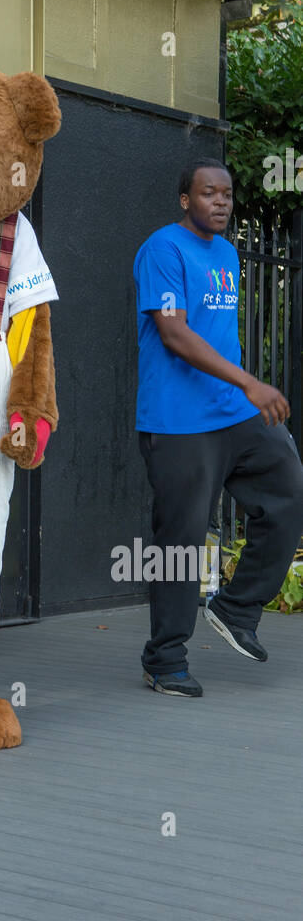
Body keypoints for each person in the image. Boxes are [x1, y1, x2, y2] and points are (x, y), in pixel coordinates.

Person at [133, 159, 303, 697]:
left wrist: (243, 392)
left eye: (227, 194)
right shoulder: (163, 249)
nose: (221, 202)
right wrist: (252, 382)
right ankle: (165, 661)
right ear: (186, 199)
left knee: (288, 491)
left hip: (235, 414)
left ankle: (236, 607)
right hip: (180, 422)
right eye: (209, 193)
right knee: (180, 542)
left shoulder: (227, 253)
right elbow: (175, 335)